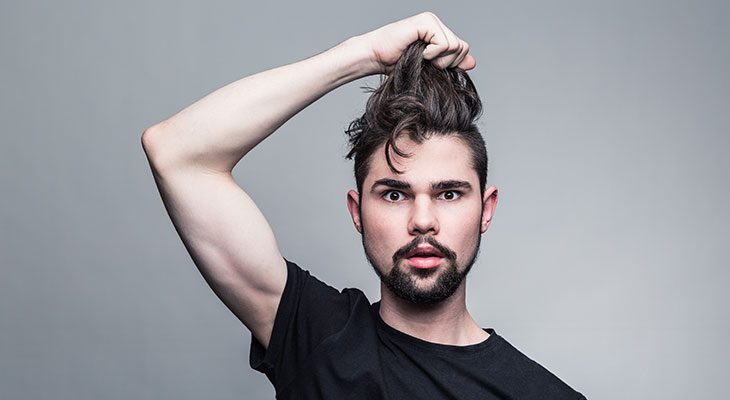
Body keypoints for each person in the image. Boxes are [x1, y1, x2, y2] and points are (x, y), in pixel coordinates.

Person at [141, 12, 586, 399]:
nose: (423, 221)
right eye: (395, 194)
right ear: (357, 211)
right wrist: (366, 55)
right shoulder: (319, 338)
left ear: (486, 210)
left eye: (449, 193)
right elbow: (178, 153)